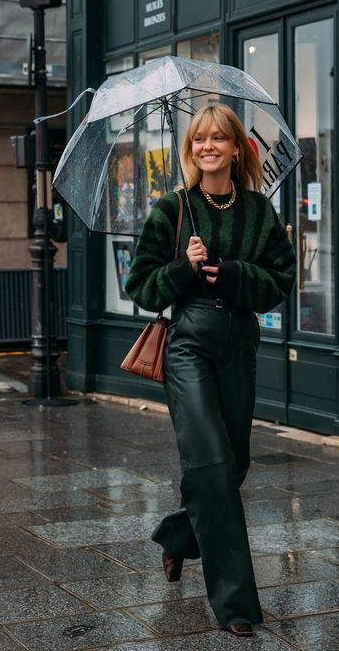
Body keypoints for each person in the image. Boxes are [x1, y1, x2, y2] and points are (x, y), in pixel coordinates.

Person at [125, 104, 296, 637]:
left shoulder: (258, 211)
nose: (208, 147)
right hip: (189, 347)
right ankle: (236, 605)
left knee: (233, 465)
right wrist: (185, 268)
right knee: (212, 464)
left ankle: (178, 536)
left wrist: (234, 273)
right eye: (200, 139)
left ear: (235, 148)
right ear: (191, 149)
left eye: (219, 139)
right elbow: (141, 286)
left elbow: (279, 282)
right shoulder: (171, 209)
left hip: (239, 344)